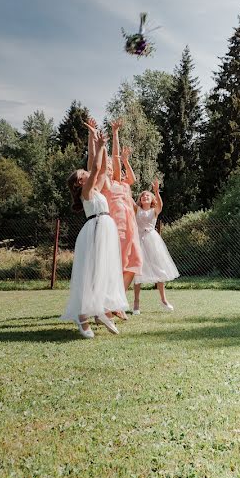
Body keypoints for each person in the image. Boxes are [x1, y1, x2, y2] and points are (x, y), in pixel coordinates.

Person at [61, 122, 126, 338]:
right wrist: (98, 147)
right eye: (83, 173)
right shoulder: (86, 192)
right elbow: (96, 167)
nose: (87, 172)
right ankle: (82, 317)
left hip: (106, 227)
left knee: (104, 270)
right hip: (96, 228)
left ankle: (101, 311)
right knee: (90, 272)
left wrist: (100, 144)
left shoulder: (96, 189)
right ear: (80, 182)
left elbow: (99, 168)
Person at [103, 119, 143, 301]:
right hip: (114, 229)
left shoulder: (122, 182)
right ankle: (109, 303)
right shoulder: (105, 185)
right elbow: (113, 156)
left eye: (113, 166)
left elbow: (119, 159)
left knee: (135, 263)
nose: (112, 168)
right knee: (115, 265)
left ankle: (118, 299)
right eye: (108, 167)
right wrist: (114, 134)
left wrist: (116, 133)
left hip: (130, 228)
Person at [132, 180, 180, 314]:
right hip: (139, 241)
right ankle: (136, 303)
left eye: (148, 195)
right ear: (140, 200)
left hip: (153, 241)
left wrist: (156, 191)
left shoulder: (154, 211)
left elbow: (160, 204)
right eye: (143, 196)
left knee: (159, 269)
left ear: (151, 199)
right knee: (138, 271)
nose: (145, 197)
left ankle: (164, 300)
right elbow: (128, 198)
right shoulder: (137, 209)